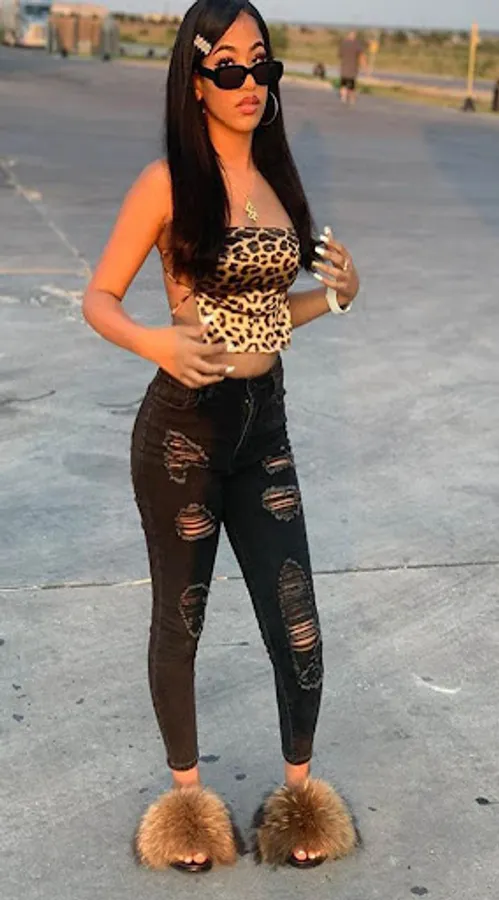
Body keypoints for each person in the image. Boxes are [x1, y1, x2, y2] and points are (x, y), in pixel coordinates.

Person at [82, 0, 360, 876]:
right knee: (183, 618)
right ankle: (187, 805)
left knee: (297, 620)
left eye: (261, 63)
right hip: (185, 431)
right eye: (228, 66)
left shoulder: (276, 180)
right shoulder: (167, 182)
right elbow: (99, 297)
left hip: (262, 424)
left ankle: (299, 795)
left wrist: (339, 294)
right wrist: (155, 343)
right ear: (195, 81)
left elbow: (270, 317)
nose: (248, 81)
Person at [339, 29, 366, 104]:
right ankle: (351, 98)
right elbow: (361, 56)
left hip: (344, 66)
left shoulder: (343, 43)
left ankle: (343, 97)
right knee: (351, 83)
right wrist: (364, 66)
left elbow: (340, 55)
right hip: (353, 67)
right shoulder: (357, 44)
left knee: (343, 82)